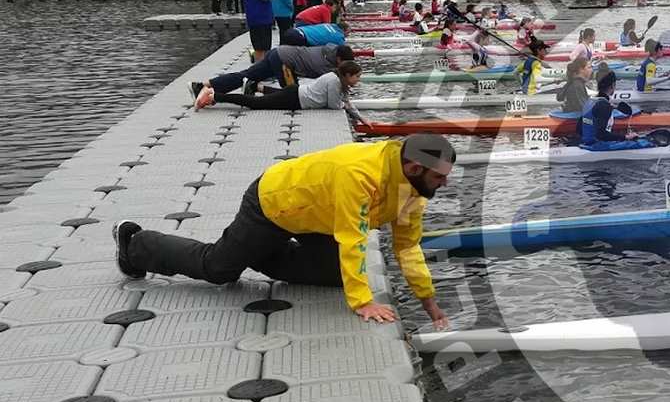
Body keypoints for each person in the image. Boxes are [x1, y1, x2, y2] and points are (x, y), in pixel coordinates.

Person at [115, 134, 454, 329]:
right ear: (414, 167)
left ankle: (257, 252)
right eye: (439, 177)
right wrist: (363, 302)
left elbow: (407, 249)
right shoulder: (360, 175)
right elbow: (353, 239)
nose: (445, 183)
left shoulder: (413, 193)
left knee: (339, 276)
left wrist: (431, 307)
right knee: (219, 269)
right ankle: (135, 244)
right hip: (274, 204)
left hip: (319, 217)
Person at [192, 43, 357, 107]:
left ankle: (203, 85)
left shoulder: (328, 50)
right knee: (285, 92)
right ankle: (214, 95)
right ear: (339, 59)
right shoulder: (326, 68)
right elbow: (327, 89)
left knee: (246, 75)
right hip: (284, 62)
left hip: (279, 52)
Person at [206, 60, 362, 113]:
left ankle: (255, 86)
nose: (358, 80)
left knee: (268, 98)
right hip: (295, 98)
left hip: (295, 93)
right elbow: (334, 106)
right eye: (357, 76)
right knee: (255, 104)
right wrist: (345, 105)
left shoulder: (338, 80)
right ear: (347, 76)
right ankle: (216, 96)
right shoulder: (334, 82)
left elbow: (345, 101)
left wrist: (362, 119)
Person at [578, 70, 651, 151]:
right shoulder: (604, 106)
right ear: (613, 85)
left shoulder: (590, 101)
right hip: (597, 146)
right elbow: (601, 135)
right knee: (646, 144)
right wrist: (625, 137)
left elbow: (579, 128)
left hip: (586, 143)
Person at [280, 21, 349, 47]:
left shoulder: (329, 25)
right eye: (348, 32)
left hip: (292, 31)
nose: (348, 35)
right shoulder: (339, 37)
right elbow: (343, 52)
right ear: (343, 30)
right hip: (299, 37)